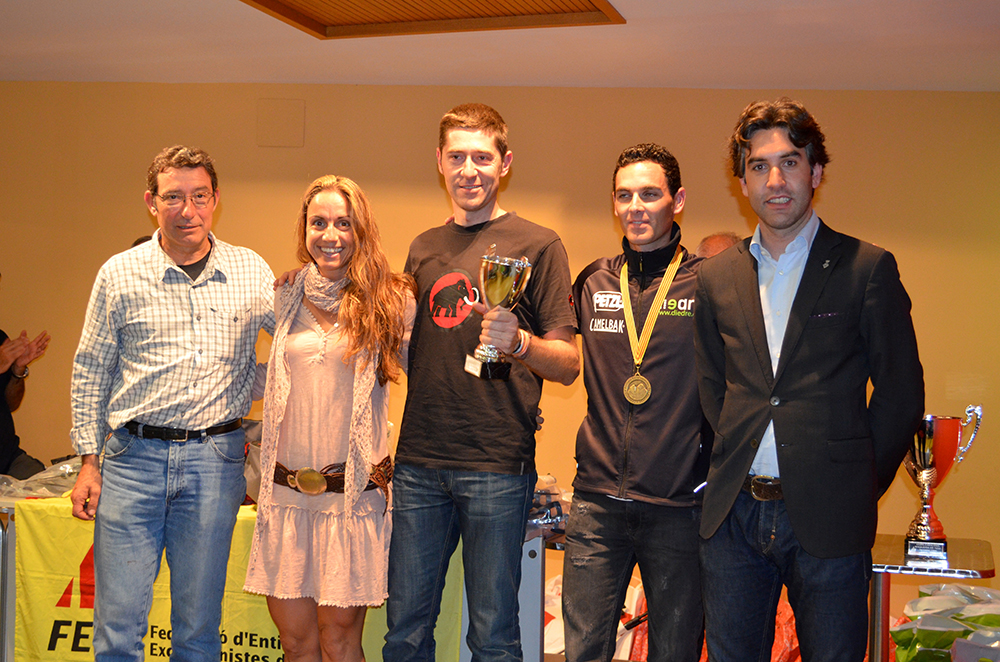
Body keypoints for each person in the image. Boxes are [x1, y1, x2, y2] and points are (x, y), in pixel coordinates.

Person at [693, 98, 924, 661]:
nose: (775, 181)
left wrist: (855, 483)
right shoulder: (716, 276)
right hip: (734, 518)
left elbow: (900, 395)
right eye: (759, 166)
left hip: (831, 518)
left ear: (816, 172)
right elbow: (712, 386)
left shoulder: (867, 268)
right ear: (742, 183)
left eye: (790, 162)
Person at [383, 103, 579, 662]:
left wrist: (520, 343)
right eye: (457, 158)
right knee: (405, 631)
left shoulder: (539, 244)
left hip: (496, 461)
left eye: (482, 158)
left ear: (504, 163)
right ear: (439, 162)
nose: (469, 170)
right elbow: (415, 352)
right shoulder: (423, 247)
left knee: (493, 636)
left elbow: (568, 363)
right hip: (419, 461)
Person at [69, 145, 276, 661]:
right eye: (173, 197)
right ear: (151, 202)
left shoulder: (251, 270)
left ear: (216, 199)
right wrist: (88, 462)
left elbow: (300, 345)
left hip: (215, 462)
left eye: (199, 196)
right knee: (118, 629)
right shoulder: (118, 273)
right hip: (131, 462)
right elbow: (91, 370)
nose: (188, 210)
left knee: (197, 628)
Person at [244, 175, 415, 662]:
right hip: (286, 497)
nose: (330, 234)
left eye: (343, 223)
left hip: (351, 501)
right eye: (318, 222)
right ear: (304, 229)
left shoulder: (390, 300)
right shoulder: (283, 297)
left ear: (361, 229)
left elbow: (428, 373)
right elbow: (261, 376)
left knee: (339, 641)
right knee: (296, 643)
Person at [563, 143, 709, 662]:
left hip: (678, 506)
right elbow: (555, 352)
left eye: (649, 194)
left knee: (674, 652)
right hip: (596, 503)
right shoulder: (593, 280)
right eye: (624, 195)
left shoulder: (707, 284)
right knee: (584, 650)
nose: (635, 207)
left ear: (678, 200)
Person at [0, 274, 51, 478]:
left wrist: (18, 370)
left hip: (9, 459)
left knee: (50, 489)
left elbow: (11, 404)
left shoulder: (0, 339)